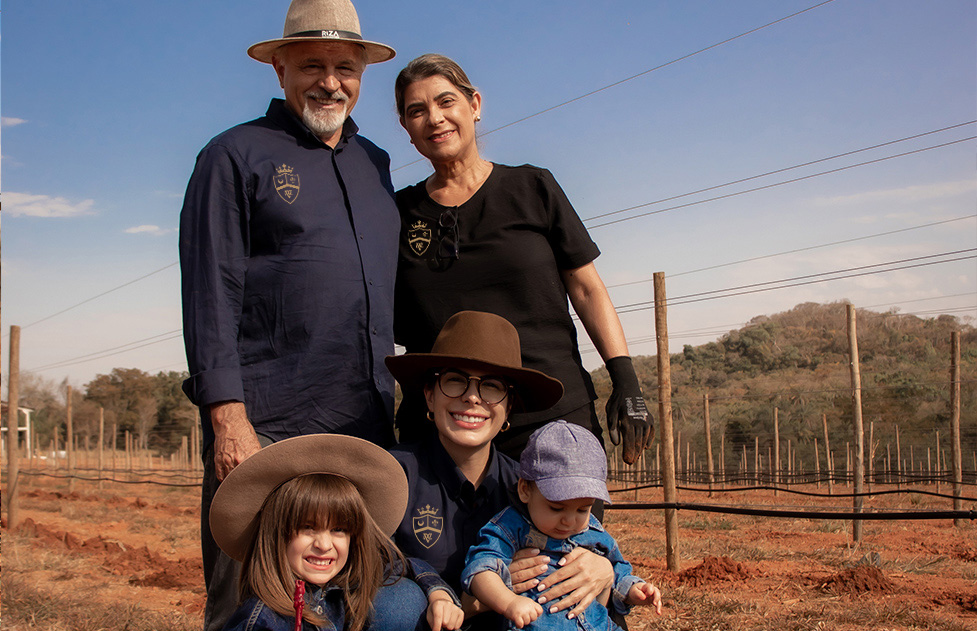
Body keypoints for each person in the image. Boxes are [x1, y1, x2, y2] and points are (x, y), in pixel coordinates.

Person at [179, 1, 399, 628]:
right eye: (312, 64)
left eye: (345, 67)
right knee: (251, 602)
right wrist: (228, 420)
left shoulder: (375, 165)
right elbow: (209, 292)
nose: (331, 81)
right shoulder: (234, 155)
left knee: (356, 600)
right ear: (279, 67)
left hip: (364, 425)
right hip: (267, 424)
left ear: (362, 74)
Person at [391, 53, 653, 466]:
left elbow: (586, 289)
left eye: (446, 102)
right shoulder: (397, 213)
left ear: (474, 105)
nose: (435, 119)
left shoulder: (532, 187)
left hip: (549, 419)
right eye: (417, 111)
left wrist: (626, 381)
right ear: (407, 129)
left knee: (564, 532)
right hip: (444, 429)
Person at [386, 311, 619, 630]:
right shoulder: (392, 474)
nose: (471, 396)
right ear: (429, 394)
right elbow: (371, 573)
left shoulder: (534, 487)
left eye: (491, 386)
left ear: (509, 406)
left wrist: (603, 568)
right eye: (455, 380)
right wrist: (477, 599)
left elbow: (585, 546)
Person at [210, 433, 465, 631]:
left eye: (339, 530)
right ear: (276, 534)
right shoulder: (261, 620)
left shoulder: (348, 577)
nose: (324, 544)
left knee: (405, 598)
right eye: (307, 528)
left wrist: (439, 594)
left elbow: (404, 565)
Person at [462, 421, 663, 630]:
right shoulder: (510, 528)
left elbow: (617, 573)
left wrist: (635, 590)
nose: (569, 521)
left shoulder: (593, 531)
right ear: (525, 489)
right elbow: (480, 571)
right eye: (556, 508)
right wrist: (509, 602)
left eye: (583, 510)